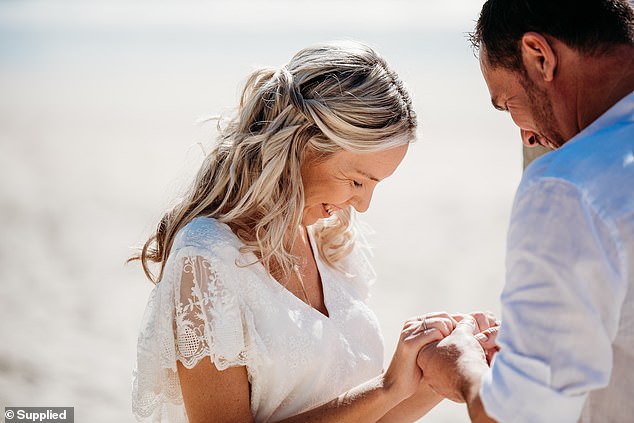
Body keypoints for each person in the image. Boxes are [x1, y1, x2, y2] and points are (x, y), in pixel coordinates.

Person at [129, 41, 492, 423]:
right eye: (355, 181)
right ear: (302, 145)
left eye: (374, 185)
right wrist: (387, 388)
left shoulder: (331, 243)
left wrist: (431, 371)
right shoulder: (205, 260)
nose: (363, 204)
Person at [417, 1, 634, 422]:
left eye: (507, 103)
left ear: (540, 55)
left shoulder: (567, 186)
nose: (527, 138)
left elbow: (519, 417)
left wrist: (462, 366)